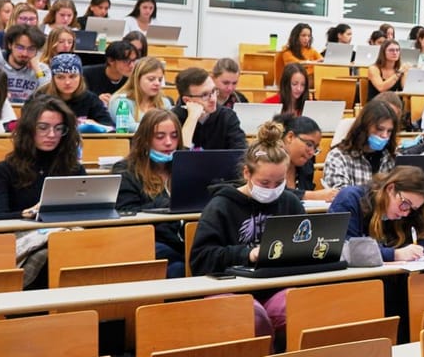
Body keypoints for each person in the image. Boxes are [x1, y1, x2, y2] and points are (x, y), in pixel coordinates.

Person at [188, 121, 304, 275]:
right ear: (247, 173)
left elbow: (304, 247)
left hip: (280, 280)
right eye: (264, 183)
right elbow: (201, 259)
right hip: (233, 284)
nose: (271, 189)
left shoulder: (291, 203)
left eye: (279, 183)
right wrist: (247, 254)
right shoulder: (221, 206)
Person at [0, 97, 83, 224]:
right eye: (43, 128)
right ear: (28, 129)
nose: (52, 135)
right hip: (22, 232)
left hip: (68, 231)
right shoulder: (2, 171)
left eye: (59, 128)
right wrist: (30, 213)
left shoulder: (73, 168)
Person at [117, 108, 186, 276]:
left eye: (174, 136)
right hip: (150, 240)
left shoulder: (187, 165)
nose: (169, 142)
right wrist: (167, 205)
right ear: (145, 139)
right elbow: (127, 213)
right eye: (160, 137)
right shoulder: (126, 170)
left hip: (185, 238)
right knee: (178, 266)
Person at [328, 163, 424, 255]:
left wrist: (416, 251)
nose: (406, 213)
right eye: (405, 203)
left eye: (413, 208)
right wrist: (394, 254)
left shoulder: (410, 212)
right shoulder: (350, 199)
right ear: (390, 189)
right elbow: (342, 248)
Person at [324, 96, 402, 189]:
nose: (385, 135)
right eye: (379, 129)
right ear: (365, 127)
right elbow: (340, 194)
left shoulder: (392, 157)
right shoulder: (338, 156)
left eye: (389, 131)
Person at [175, 66, 243, 150]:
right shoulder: (173, 119)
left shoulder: (227, 116)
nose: (213, 99)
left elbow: (241, 152)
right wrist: (192, 119)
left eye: (214, 91)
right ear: (187, 100)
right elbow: (179, 155)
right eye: (204, 95)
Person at [33, 54, 111, 127]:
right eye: (60, 77)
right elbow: (29, 125)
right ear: (53, 79)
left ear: (80, 77)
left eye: (72, 76)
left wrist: (95, 125)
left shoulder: (91, 99)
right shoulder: (40, 98)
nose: (67, 82)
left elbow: (109, 126)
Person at [0, 23, 47, 107]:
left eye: (31, 49)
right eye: (20, 47)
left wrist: (37, 70)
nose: (25, 53)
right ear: (10, 45)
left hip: (30, 111)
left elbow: (49, 94)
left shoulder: (42, 70)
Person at [281, 113, 337, 201]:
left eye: (315, 148)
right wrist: (312, 196)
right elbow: (271, 194)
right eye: (309, 144)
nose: (311, 152)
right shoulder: (268, 159)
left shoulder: (306, 165)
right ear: (290, 137)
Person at [110, 56, 167, 133]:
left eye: (160, 80)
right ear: (137, 78)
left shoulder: (164, 102)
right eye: (151, 79)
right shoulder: (121, 102)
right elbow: (129, 127)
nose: (157, 83)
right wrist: (162, 129)